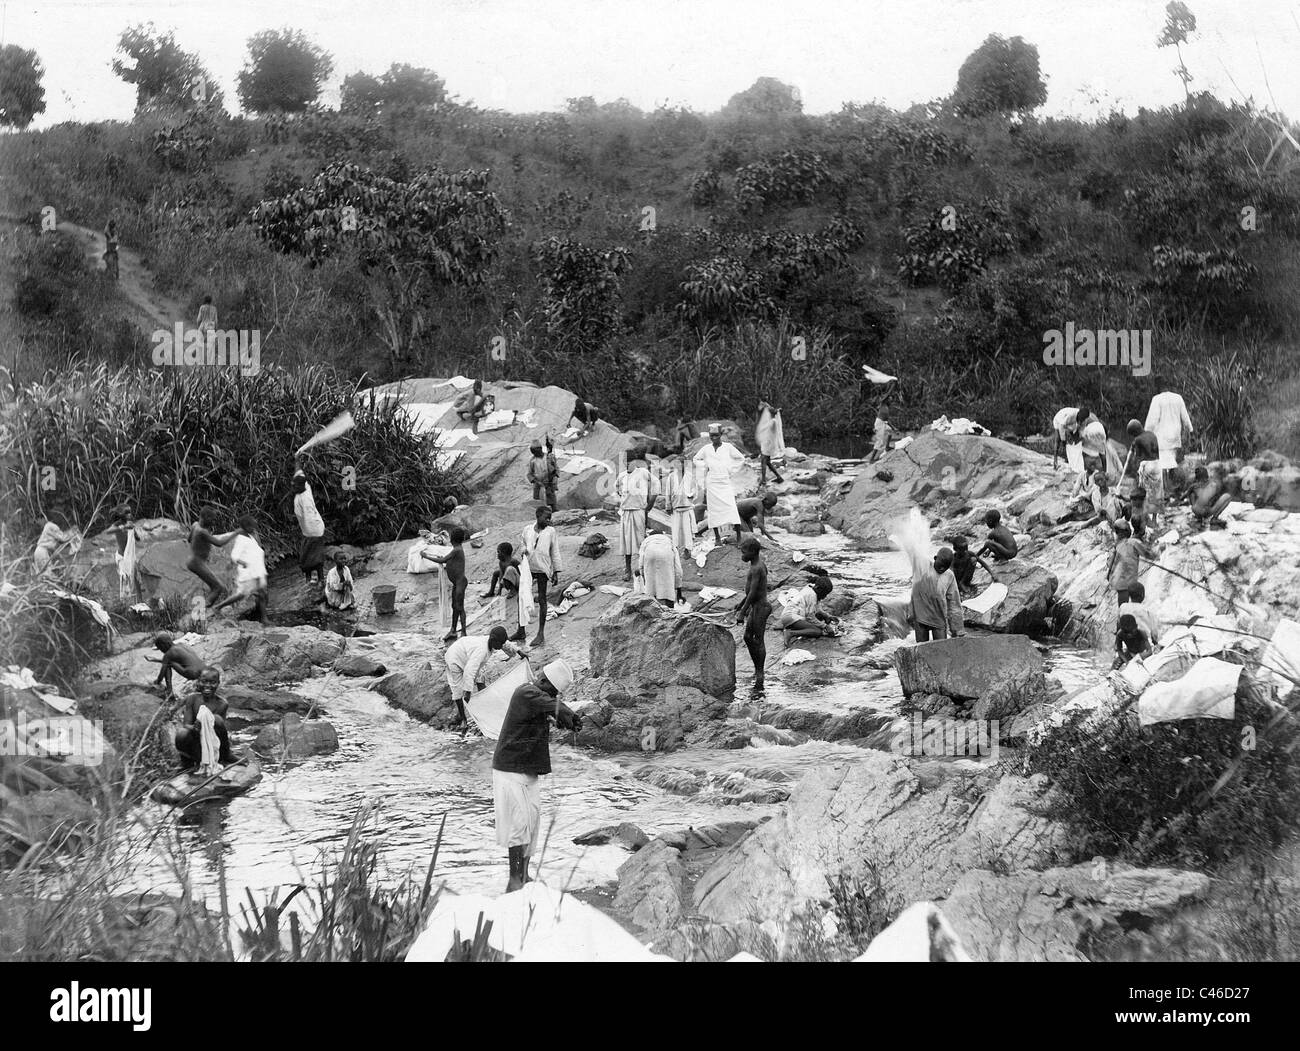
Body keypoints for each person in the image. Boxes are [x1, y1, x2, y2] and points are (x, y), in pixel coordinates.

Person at [492, 658, 581, 892]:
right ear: (543, 680)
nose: (553, 697)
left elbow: (551, 709)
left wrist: (566, 720)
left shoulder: (540, 701)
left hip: (527, 771)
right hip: (510, 770)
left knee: (532, 823)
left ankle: (524, 875)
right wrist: (564, 712)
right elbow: (552, 705)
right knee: (518, 824)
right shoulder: (525, 692)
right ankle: (514, 880)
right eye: (552, 691)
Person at [446, 626, 526, 732]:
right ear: (493, 641)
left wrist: (519, 651)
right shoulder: (481, 651)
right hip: (455, 657)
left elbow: (505, 644)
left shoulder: (493, 641)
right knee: (458, 689)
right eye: (500, 644)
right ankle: (463, 719)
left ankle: (484, 705)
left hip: (468, 653)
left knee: (480, 679)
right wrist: (468, 691)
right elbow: (469, 671)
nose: (501, 646)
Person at [173, 666, 236, 770]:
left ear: (218, 683)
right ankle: (186, 762)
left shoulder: (222, 704)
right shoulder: (192, 699)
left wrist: (204, 723)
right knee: (181, 733)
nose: (208, 686)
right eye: (204, 682)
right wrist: (195, 728)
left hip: (212, 744)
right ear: (198, 682)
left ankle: (227, 755)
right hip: (195, 742)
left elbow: (218, 729)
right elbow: (186, 724)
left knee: (216, 718)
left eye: (212, 682)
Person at [693, 424, 745, 546]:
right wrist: (705, 466)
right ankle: (717, 538)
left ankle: (738, 537)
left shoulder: (728, 447)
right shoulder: (706, 449)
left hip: (725, 482)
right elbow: (696, 459)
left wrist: (730, 470)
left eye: (716, 435)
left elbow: (741, 459)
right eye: (712, 436)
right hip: (712, 483)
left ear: (721, 435)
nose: (714, 438)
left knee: (731, 508)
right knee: (713, 511)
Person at [213, 515, 268, 623]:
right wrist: (243, 563)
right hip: (249, 572)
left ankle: (264, 618)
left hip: (257, 571)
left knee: (262, 594)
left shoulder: (250, 536)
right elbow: (234, 556)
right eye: (252, 526)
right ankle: (218, 607)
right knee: (241, 594)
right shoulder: (241, 539)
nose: (254, 528)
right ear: (246, 526)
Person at [735, 537, 771, 693]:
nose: (742, 555)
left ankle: (760, 673)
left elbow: (755, 592)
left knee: (758, 640)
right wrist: (741, 603)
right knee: (748, 637)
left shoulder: (757, 568)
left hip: (761, 607)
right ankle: (757, 669)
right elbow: (751, 591)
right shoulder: (756, 565)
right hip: (756, 606)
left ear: (752, 552)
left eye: (743, 552)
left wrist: (743, 612)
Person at [522, 505, 561, 647]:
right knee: (522, 596)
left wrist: (556, 571)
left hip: (543, 568)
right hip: (528, 568)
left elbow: (555, 551)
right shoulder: (527, 530)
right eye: (546, 517)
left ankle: (540, 633)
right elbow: (522, 544)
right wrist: (524, 551)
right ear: (538, 516)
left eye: (550, 517)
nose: (549, 520)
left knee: (542, 599)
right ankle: (521, 630)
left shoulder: (551, 532)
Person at [615, 450, 658, 581]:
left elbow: (656, 486)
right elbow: (617, 490)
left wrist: (649, 505)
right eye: (625, 461)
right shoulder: (621, 476)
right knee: (626, 542)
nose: (628, 463)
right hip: (626, 511)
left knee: (641, 541)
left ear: (635, 462)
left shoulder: (643, 473)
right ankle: (627, 569)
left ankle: (643, 569)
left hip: (639, 510)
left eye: (630, 461)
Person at [423, 526, 469, 641]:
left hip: (460, 583)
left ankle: (463, 632)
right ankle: (453, 630)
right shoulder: (457, 549)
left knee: (460, 607)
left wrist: (426, 556)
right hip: (456, 583)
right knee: (455, 606)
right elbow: (447, 560)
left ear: (452, 540)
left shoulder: (457, 550)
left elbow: (442, 560)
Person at [910, 547, 965, 643]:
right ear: (935, 558)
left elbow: (954, 603)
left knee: (942, 647)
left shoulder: (949, 576)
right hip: (921, 616)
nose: (942, 569)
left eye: (945, 567)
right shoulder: (923, 566)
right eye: (940, 565)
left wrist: (957, 629)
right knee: (922, 648)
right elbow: (913, 549)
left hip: (938, 616)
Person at [187, 506, 237, 607]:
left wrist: (199, 547)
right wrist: (234, 534)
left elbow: (189, 539)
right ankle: (202, 611)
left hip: (193, 560)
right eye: (212, 519)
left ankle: (204, 610)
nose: (214, 522)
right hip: (197, 563)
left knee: (215, 586)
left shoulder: (195, 525)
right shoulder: (203, 532)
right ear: (205, 517)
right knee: (218, 587)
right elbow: (219, 543)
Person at [1145, 390, 1193, 484]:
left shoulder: (1157, 399)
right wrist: (1189, 429)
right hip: (1175, 434)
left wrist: (1147, 432)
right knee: (1172, 460)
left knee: (1162, 463)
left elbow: (1152, 420)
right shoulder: (1178, 398)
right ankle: (1173, 485)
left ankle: (1165, 487)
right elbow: (1185, 416)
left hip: (1162, 435)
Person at [292, 467, 327, 591]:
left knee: (315, 557)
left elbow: (309, 519)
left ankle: (320, 580)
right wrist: (297, 458)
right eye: (293, 485)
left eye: (296, 486)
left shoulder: (306, 498)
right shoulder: (305, 487)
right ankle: (309, 579)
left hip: (314, 529)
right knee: (305, 556)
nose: (294, 488)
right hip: (307, 531)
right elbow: (299, 471)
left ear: (302, 486)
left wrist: (310, 535)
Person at [778, 576, 838, 646]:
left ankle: (791, 626)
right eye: (824, 594)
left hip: (792, 616)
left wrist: (826, 615)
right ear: (818, 588)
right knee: (817, 632)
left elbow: (816, 608)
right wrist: (825, 626)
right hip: (791, 617)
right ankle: (790, 633)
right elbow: (810, 617)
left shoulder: (811, 588)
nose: (825, 596)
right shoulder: (811, 595)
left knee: (820, 617)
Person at [1125, 420, 1164, 524]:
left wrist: (1136, 473)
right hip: (1157, 464)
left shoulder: (1138, 439)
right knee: (1156, 493)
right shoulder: (1152, 434)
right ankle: (1155, 520)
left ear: (1134, 432)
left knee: (1141, 491)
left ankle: (1144, 518)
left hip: (1146, 465)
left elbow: (1138, 458)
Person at [148, 632, 205, 699]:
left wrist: (157, 681)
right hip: (204, 670)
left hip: (192, 674)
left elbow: (162, 672)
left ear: (164, 645)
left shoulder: (168, 654)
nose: (161, 651)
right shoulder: (181, 644)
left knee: (168, 664)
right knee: (168, 662)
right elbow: (181, 660)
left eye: (161, 649)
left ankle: (170, 691)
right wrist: (156, 659)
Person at [637, 526, 683, 607]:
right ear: (663, 535)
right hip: (666, 554)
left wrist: (644, 577)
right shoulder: (669, 541)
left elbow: (641, 563)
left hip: (649, 553)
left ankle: (652, 607)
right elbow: (678, 568)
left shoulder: (646, 541)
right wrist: (679, 592)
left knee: (651, 586)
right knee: (668, 587)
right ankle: (670, 609)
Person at [1107, 519, 1149, 606]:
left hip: (1120, 582)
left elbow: (1110, 563)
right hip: (1128, 581)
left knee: (1123, 605)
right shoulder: (1132, 543)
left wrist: (1109, 575)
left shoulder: (1117, 545)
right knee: (1131, 604)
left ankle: (1124, 616)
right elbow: (1148, 553)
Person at [663, 455, 698, 560]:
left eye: (682, 463)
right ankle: (676, 549)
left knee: (687, 530)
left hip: (687, 506)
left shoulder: (690, 476)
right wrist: (668, 504)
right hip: (676, 507)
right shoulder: (671, 477)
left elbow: (694, 490)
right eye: (677, 463)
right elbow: (668, 492)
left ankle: (688, 549)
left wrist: (690, 495)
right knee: (676, 530)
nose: (679, 465)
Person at [31, 511, 79, 577]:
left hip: (39, 552)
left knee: (43, 574)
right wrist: (73, 533)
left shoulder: (49, 526)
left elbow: (62, 539)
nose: (39, 524)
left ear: (42, 518)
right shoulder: (49, 526)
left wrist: (73, 532)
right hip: (42, 552)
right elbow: (63, 538)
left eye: (38, 521)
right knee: (48, 574)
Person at [1118, 581, 1160, 648]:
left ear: (1129, 595)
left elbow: (1119, 624)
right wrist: (1156, 643)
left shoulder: (1123, 607)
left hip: (1127, 645)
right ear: (1143, 595)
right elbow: (1154, 633)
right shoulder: (1148, 610)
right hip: (1145, 645)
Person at [756, 400, 785, 486]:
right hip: (768, 443)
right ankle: (779, 477)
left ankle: (764, 480)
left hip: (768, 444)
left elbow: (767, 429)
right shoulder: (773, 420)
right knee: (767, 462)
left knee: (763, 461)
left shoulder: (773, 422)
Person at [527, 441, 558, 510]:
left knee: (551, 500)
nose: (534, 453)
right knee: (539, 503)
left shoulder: (549, 457)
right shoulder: (532, 460)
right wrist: (536, 481)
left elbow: (556, 469)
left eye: (535, 451)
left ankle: (554, 512)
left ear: (540, 449)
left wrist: (555, 478)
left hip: (549, 483)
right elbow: (529, 474)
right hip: (538, 485)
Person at [1051, 406, 1084, 471]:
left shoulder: (1082, 415)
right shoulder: (1070, 415)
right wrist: (1063, 440)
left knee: (1075, 441)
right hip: (1059, 420)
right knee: (1058, 441)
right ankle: (1055, 462)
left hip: (1070, 423)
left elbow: (1080, 430)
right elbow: (1061, 427)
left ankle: (1071, 459)